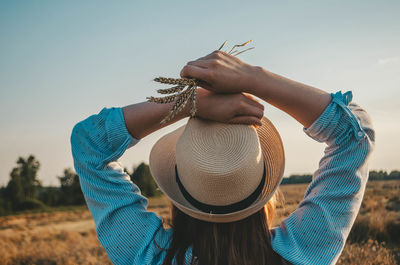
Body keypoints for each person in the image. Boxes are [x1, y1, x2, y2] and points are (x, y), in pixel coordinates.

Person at [70, 50, 375, 265]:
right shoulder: (304, 252)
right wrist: (253, 78)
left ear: (181, 191)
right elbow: (355, 133)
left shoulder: (148, 256)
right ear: (263, 188)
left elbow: (89, 144)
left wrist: (190, 102)